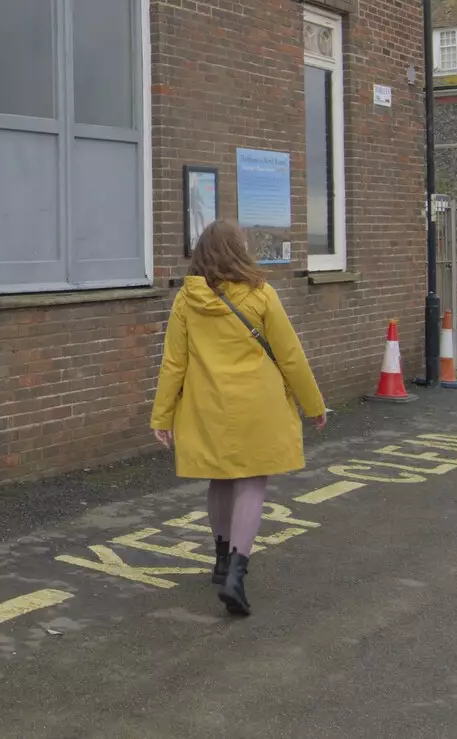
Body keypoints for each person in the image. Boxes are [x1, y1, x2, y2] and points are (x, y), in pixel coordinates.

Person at [151, 221, 327, 618]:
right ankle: (236, 572)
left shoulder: (185, 300)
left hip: (207, 405)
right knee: (251, 480)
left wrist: (162, 415)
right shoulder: (262, 294)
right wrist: (313, 404)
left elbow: (174, 362)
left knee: (220, 476)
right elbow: (290, 355)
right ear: (239, 251)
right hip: (257, 406)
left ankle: (218, 558)